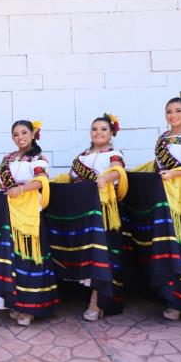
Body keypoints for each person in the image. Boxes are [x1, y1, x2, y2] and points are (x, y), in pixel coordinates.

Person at [127, 93, 181, 319]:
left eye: (178, 111)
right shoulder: (163, 137)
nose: (173, 115)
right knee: (166, 249)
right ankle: (168, 296)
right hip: (163, 198)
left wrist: (173, 173)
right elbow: (156, 165)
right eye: (169, 111)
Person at [0, 120, 58, 326]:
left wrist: (21, 189)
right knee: (12, 258)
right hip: (9, 213)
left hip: (29, 214)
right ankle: (14, 303)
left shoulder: (38, 158)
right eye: (16, 134)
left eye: (24, 132)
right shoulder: (7, 158)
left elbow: (41, 181)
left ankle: (29, 308)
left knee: (28, 258)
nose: (21, 137)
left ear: (33, 134)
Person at [66, 114, 128, 320]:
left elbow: (118, 171)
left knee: (103, 253)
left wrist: (104, 178)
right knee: (89, 253)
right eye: (94, 129)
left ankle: (98, 301)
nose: (98, 132)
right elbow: (70, 178)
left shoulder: (113, 153)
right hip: (84, 210)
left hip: (104, 210)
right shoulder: (82, 156)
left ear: (111, 133)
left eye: (103, 129)